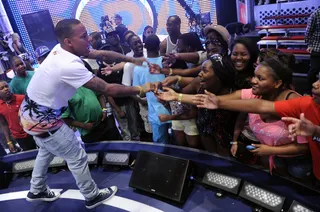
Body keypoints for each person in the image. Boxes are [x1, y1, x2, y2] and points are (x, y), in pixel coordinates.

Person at [19, 18, 155, 209]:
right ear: (68, 41)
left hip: (28, 115)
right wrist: (142, 88)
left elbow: (98, 52)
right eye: (84, 37)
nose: (89, 41)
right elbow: (109, 89)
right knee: (77, 156)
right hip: (43, 120)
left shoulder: (61, 50)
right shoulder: (68, 65)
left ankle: (36, 189)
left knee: (46, 150)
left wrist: (132, 60)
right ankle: (91, 195)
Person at [192, 79, 320, 183]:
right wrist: (178, 96)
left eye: (260, 78)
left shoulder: (296, 102)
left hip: (298, 162)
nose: (315, 84)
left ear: (277, 83)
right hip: (287, 161)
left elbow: (304, 147)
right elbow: (260, 105)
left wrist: (315, 131)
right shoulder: (306, 104)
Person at [133, 34, 171, 143]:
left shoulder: (138, 67)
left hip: (155, 113)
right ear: (159, 46)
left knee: (161, 144)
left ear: (145, 47)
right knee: (179, 142)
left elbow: (140, 93)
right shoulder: (166, 62)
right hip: (173, 108)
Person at [0, 80, 37, 152]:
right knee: (31, 156)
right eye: (1, 88)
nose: (6, 89)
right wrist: (9, 141)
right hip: (19, 137)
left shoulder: (22, 98)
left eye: (6, 86)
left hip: (33, 133)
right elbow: (4, 124)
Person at [306, 7, 320, 95]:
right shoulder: (316, 14)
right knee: (313, 71)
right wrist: (309, 44)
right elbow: (308, 31)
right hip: (317, 47)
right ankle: (308, 91)